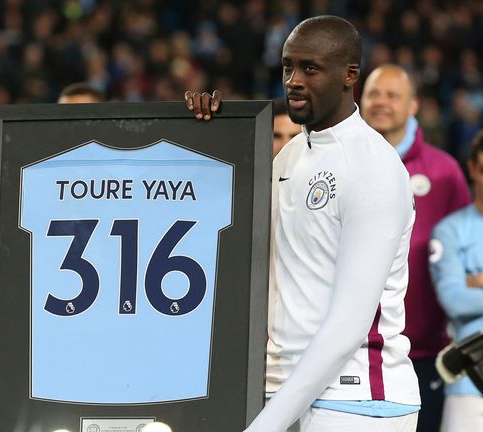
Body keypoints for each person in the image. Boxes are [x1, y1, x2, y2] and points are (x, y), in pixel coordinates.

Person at [187, 15, 420, 431]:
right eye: (287, 66)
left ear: (350, 76)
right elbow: (222, 237)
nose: (293, 80)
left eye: (310, 68)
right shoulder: (288, 158)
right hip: (281, 393)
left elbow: (350, 324)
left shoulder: (374, 168)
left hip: (358, 399)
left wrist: (266, 424)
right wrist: (207, 137)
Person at [361, 64, 471, 432]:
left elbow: (468, 250)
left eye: (393, 95)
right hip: (349, 353)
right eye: (374, 93)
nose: (381, 103)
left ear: (413, 106)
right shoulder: (340, 163)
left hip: (421, 353)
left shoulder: (444, 172)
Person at [429, 130, 483, 432]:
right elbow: (454, 300)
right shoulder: (451, 230)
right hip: (468, 386)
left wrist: (475, 281)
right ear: (473, 167)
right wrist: (465, 288)